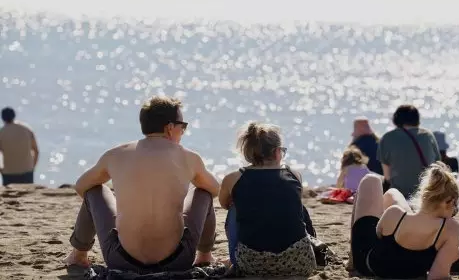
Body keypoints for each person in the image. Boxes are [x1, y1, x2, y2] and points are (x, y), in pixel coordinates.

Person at [64, 96, 220, 273]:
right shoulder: (189, 157)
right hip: (178, 261)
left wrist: (125, 206)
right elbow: (214, 190)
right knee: (203, 192)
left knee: (95, 190)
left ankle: (78, 255)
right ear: (170, 128)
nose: (183, 131)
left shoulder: (116, 154)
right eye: (182, 126)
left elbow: (81, 186)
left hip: (120, 260)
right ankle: (205, 255)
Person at [218, 122, 317, 277]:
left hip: (252, 263)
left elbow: (224, 203)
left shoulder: (233, 178)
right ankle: (313, 242)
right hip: (299, 261)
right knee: (296, 205)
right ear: (277, 152)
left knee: (233, 208)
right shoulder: (294, 175)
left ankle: (234, 260)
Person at [350, 163, 459, 279]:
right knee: (393, 193)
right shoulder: (452, 229)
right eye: (456, 207)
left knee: (371, 180)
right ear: (449, 202)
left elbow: (377, 235)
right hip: (408, 271)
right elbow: (437, 276)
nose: (455, 212)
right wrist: (449, 256)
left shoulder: (394, 213)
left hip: (369, 267)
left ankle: (351, 261)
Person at [378, 105, 441, 198]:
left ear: (396, 119)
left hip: (400, 193)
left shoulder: (387, 137)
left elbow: (387, 176)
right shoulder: (428, 135)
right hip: (425, 192)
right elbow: (437, 164)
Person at [0, 107, 39, 186]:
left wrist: (1, 170)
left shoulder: (1, 133)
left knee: (10, 197)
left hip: (9, 173)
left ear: (2, 118)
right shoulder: (27, 129)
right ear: (14, 115)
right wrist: (32, 167)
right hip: (27, 171)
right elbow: (36, 150)